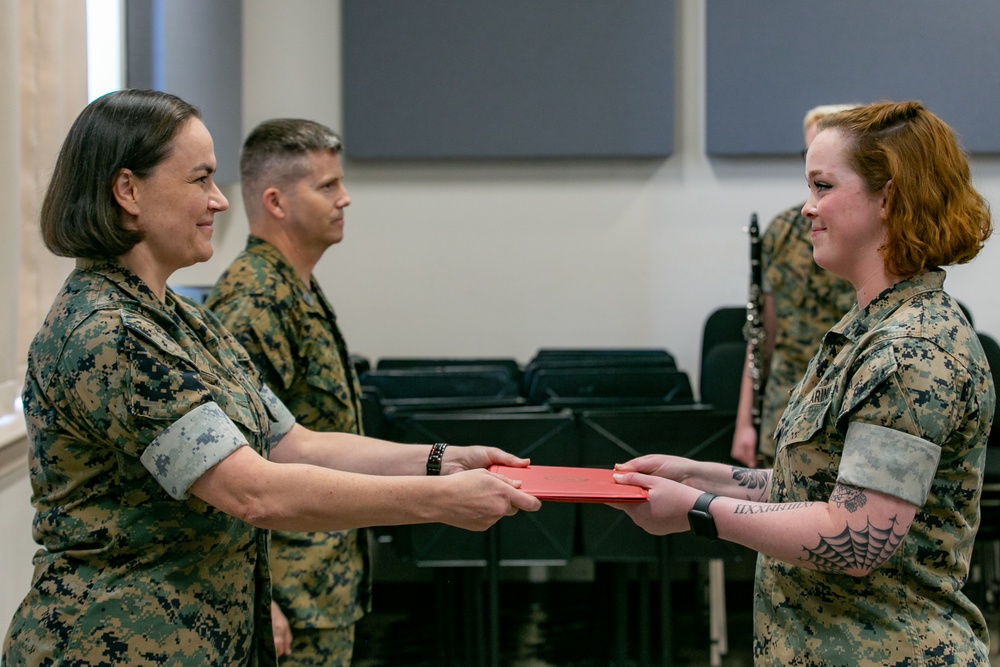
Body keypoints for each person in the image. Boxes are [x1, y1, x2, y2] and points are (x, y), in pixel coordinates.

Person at [1, 89, 541, 667]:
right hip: (115, 645)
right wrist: (438, 500)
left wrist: (440, 460)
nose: (219, 201)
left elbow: (291, 443)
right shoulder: (109, 332)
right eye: (200, 180)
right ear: (128, 190)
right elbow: (252, 490)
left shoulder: (181, 319)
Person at [614, 101, 994, 664]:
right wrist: (698, 475)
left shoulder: (913, 350)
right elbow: (818, 490)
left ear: (887, 198)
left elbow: (857, 533)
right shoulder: (864, 330)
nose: (807, 210)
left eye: (822, 186)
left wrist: (698, 509)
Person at [204, 119, 366, 665]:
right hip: (288, 595)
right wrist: (262, 596)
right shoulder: (255, 299)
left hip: (319, 582)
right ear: (275, 201)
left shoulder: (294, 285)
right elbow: (227, 460)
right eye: (327, 186)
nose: (344, 199)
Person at [731, 104, 857, 469]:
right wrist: (745, 423)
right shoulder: (784, 232)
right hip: (783, 413)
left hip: (846, 412)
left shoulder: (870, 236)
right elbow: (761, 339)